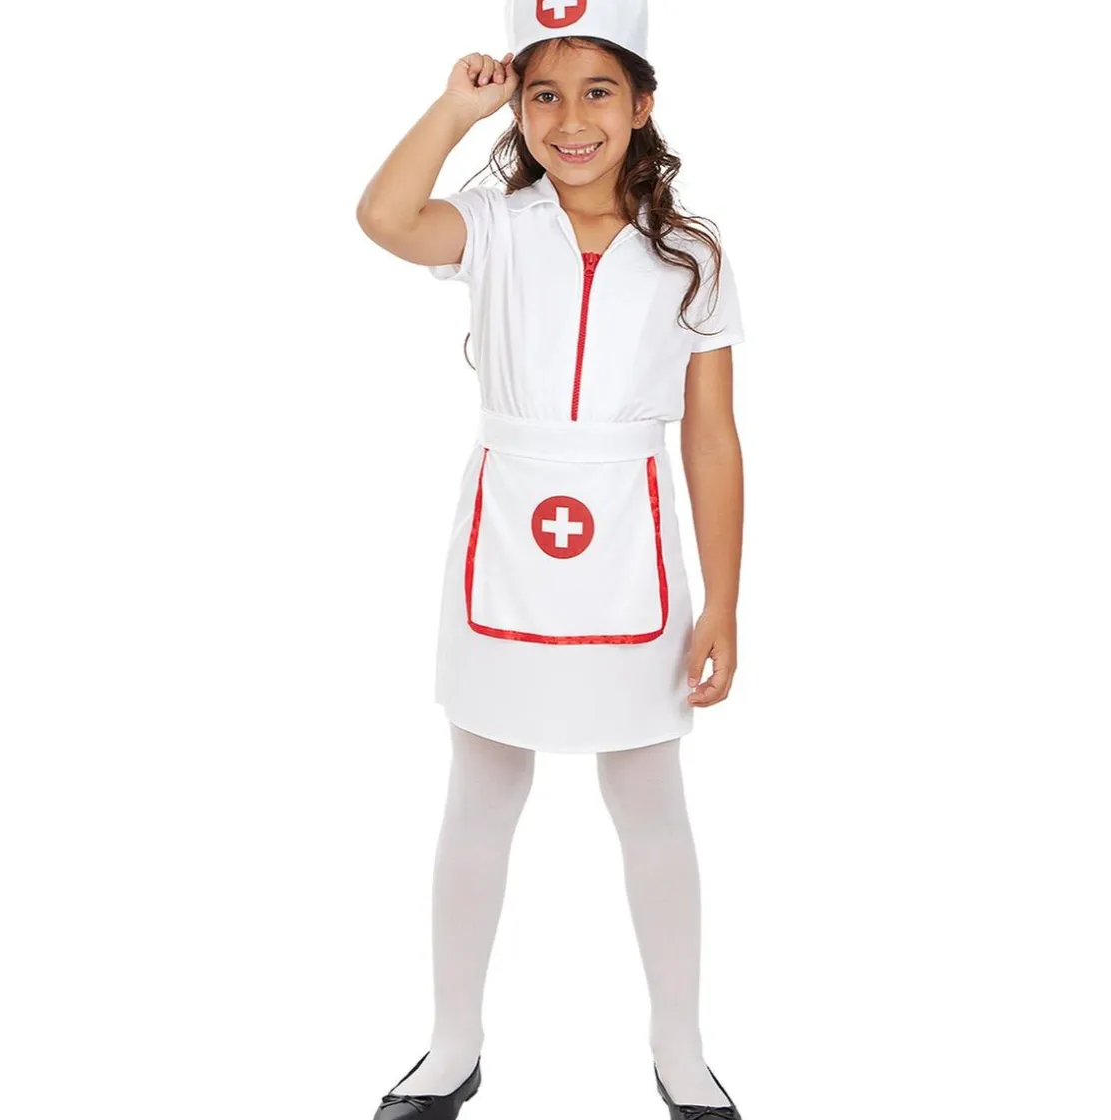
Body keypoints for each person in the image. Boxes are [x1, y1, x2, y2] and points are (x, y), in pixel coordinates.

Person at [356, 2, 745, 1116]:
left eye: (598, 92)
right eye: (544, 95)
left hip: (630, 543)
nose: (571, 120)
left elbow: (711, 437)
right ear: (517, 110)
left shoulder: (691, 255)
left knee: (649, 798)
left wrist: (722, 601)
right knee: (481, 791)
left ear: (643, 103)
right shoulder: (494, 225)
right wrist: (454, 107)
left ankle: (680, 1049)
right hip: (506, 537)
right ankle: (452, 1045)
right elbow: (385, 217)